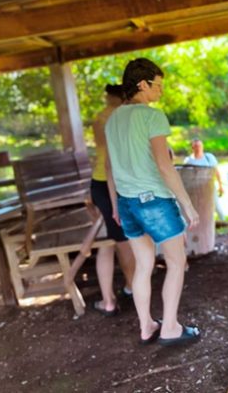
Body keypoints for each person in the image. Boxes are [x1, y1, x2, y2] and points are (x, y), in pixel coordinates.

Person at [105, 58, 201, 346]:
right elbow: (164, 164)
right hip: (155, 201)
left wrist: (114, 206)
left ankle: (147, 326)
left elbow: (110, 168)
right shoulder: (152, 116)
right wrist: (187, 204)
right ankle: (170, 327)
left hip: (127, 203)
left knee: (144, 264)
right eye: (157, 86)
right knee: (176, 262)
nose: (160, 91)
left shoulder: (112, 119)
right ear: (142, 85)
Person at [89, 84, 136, 316]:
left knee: (116, 239)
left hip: (106, 183)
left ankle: (125, 289)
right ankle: (132, 288)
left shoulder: (102, 117)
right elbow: (110, 154)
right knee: (122, 239)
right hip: (111, 185)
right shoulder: (118, 117)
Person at [184, 137, 226, 221]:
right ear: (192, 148)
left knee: (216, 206)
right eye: (196, 146)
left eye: (199, 146)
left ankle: (223, 221)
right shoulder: (188, 161)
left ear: (202, 146)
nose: (198, 148)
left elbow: (216, 172)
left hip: (209, 186)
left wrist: (220, 185)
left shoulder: (209, 157)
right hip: (195, 188)